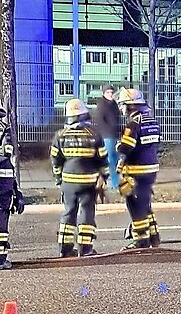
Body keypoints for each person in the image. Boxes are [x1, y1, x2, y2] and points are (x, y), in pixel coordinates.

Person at [50, 99, 109, 257]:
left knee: (69, 212)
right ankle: (85, 248)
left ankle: (65, 248)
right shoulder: (94, 134)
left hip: (68, 182)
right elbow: (102, 159)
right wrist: (104, 176)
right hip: (88, 182)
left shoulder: (60, 136)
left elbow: (56, 160)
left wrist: (59, 179)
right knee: (87, 212)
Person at [116, 88, 162, 249]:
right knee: (145, 202)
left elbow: (126, 148)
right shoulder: (153, 122)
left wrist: (118, 146)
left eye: (122, 105)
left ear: (130, 106)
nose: (121, 108)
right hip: (151, 169)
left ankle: (140, 240)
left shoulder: (133, 124)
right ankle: (154, 236)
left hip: (136, 171)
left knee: (134, 204)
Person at [0, 106, 25, 270]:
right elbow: (7, 157)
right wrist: (16, 194)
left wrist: (17, 193)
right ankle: (1, 260)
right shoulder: (5, 130)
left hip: (5, 183)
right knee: (1, 223)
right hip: (3, 185)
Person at [93, 85, 121, 190]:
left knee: (115, 159)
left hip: (114, 135)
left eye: (111, 92)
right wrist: (107, 130)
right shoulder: (102, 104)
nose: (110, 94)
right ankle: (114, 183)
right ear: (104, 93)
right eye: (108, 92)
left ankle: (114, 181)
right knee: (111, 159)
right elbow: (99, 120)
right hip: (106, 135)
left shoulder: (114, 104)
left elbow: (117, 119)